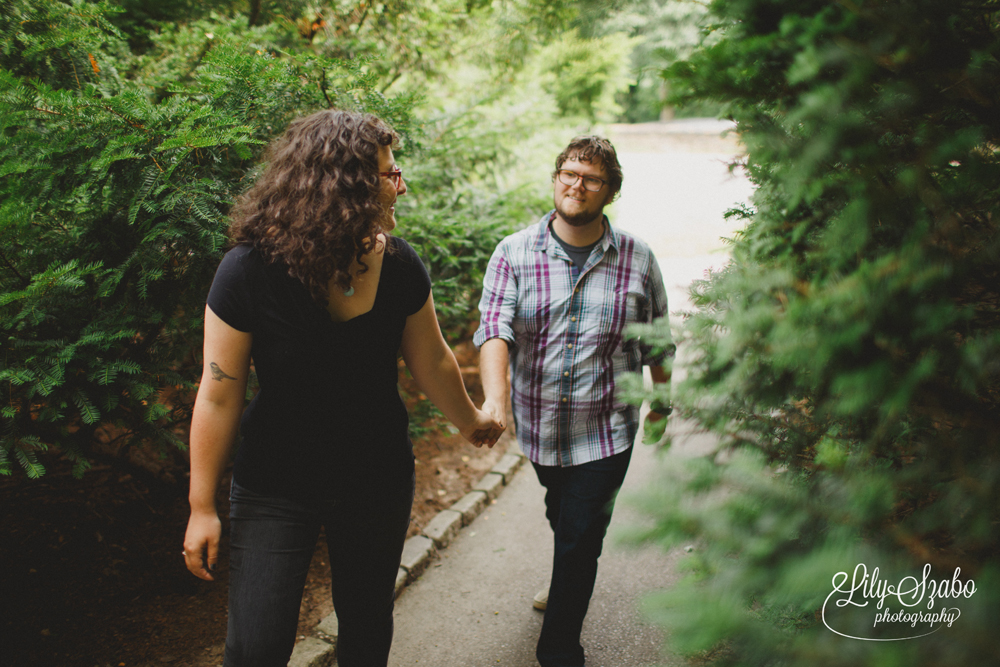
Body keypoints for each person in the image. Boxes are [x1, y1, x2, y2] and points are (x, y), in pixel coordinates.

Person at [182, 109, 503, 667]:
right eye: (389, 173)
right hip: (275, 484)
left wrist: (472, 420)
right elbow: (218, 392)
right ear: (345, 185)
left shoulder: (401, 266)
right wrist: (200, 504)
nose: (401, 183)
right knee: (255, 646)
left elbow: (430, 358)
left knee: (366, 630)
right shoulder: (248, 270)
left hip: (375, 478)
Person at [475, 135, 672, 667]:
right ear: (555, 177)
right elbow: (493, 329)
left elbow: (656, 338)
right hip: (540, 430)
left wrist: (663, 399)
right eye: (568, 173)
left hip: (607, 430)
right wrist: (496, 400)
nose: (575, 185)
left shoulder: (637, 258)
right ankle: (567, 574)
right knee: (563, 514)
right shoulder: (513, 252)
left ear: (610, 191)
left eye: (590, 178)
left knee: (583, 535)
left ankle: (559, 649)